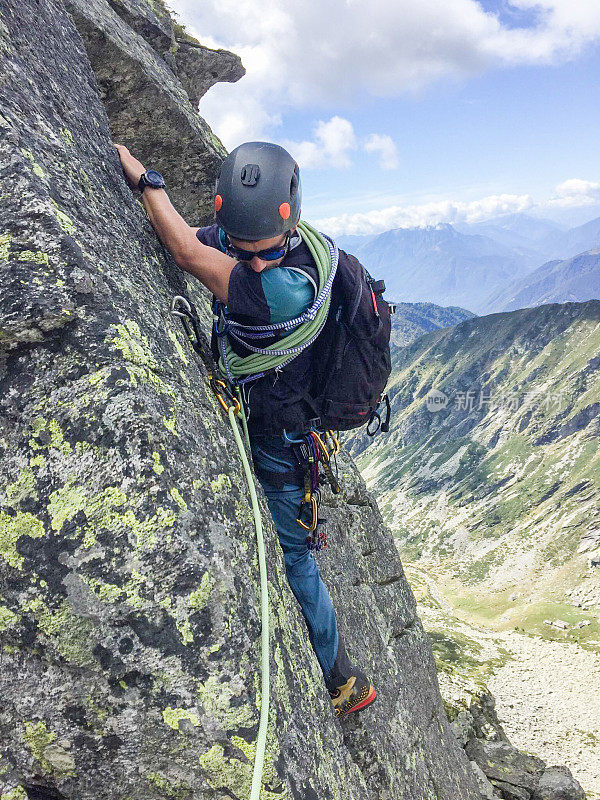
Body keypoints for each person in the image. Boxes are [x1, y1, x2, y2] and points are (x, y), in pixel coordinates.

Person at [114, 140, 377, 719]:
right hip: (279, 418)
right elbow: (205, 241)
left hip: (282, 441)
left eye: (265, 252)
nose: (253, 263)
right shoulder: (284, 247)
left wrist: (143, 176)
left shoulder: (286, 287)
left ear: (289, 231)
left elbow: (187, 251)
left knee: (294, 556)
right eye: (242, 250)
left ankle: (341, 678)